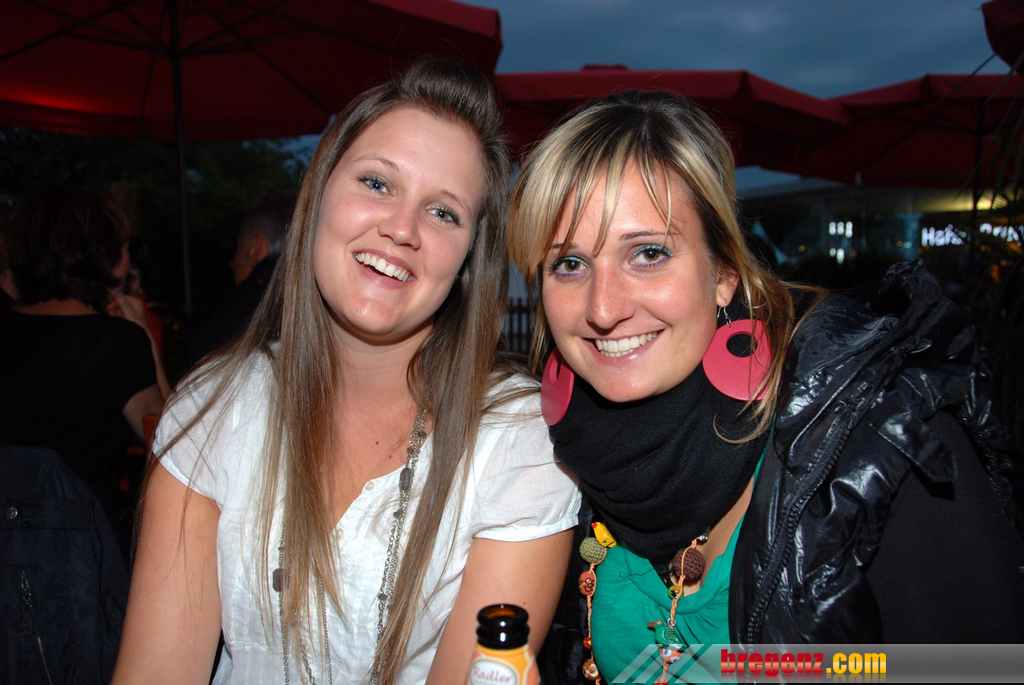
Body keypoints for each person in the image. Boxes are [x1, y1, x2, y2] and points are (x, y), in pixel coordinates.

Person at [506, 90, 1024, 682]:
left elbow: (977, 669)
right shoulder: (556, 455)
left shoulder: (883, 442)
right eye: (570, 264)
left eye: (648, 253)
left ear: (724, 274)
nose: (603, 309)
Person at [112, 57, 580, 685]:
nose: (401, 229)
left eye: (444, 212)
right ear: (318, 196)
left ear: (470, 257)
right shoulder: (214, 408)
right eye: (377, 183)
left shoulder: (517, 444)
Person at [0, 189, 164, 528]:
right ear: (103, 257)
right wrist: (146, 339)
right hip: (79, 545)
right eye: (123, 248)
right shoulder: (115, 343)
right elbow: (168, 442)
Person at [186, 190, 297, 367]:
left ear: (255, 247)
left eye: (237, 251)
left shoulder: (222, 322)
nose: (233, 265)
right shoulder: (310, 306)